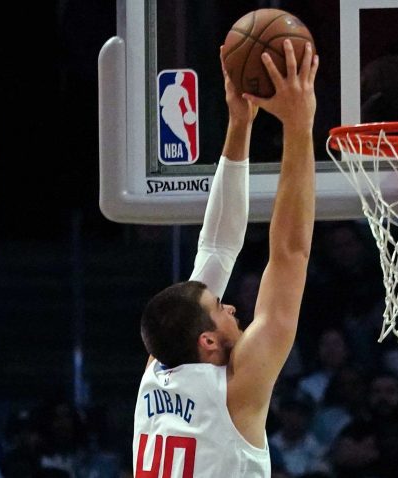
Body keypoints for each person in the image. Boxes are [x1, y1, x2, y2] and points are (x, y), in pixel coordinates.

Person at [133, 38, 319, 477]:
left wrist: (240, 125)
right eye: (219, 309)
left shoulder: (157, 374)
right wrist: (299, 125)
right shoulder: (234, 388)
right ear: (208, 342)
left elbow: (218, 247)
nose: (230, 305)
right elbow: (287, 253)